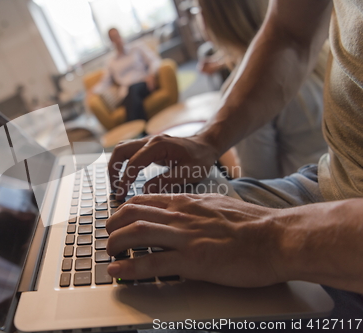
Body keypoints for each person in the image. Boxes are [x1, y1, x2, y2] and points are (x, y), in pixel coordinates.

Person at [106, 0, 363, 320]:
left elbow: (258, 174)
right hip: (328, 177)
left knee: (161, 315)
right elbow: (290, 33)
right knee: (160, 229)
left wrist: (272, 238)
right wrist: (207, 140)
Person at [198, 0, 328, 179]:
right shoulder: (325, 48)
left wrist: (220, 145)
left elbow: (259, 182)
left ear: (208, 19)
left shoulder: (241, 93)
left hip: (314, 195)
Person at [93, 28, 161, 122]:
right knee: (131, 95)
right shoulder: (110, 61)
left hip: (143, 84)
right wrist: (92, 91)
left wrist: (152, 75)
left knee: (132, 91)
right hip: (126, 93)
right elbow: (105, 82)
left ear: (120, 35)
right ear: (110, 41)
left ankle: (138, 132)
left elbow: (154, 60)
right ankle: (143, 128)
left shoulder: (137, 47)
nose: (117, 40)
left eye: (117, 36)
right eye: (113, 38)